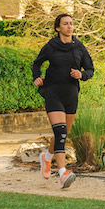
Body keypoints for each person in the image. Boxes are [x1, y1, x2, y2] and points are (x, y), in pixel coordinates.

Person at [32, 14, 94, 189]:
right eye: (65, 24)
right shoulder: (51, 46)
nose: (69, 27)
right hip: (53, 93)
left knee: (63, 134)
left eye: (71, 24)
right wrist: (37, 77)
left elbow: (90, 69)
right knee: (60, 132)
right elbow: (37, 64)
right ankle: (62, 173)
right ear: (58, 28)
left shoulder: (79, 47)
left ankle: (47, 157)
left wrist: (82, 75)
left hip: (71, 95)